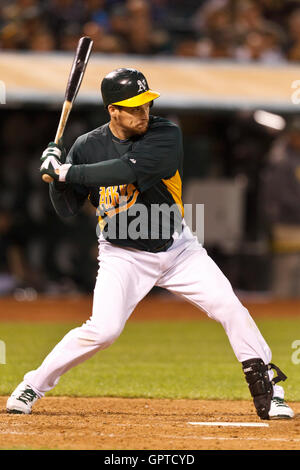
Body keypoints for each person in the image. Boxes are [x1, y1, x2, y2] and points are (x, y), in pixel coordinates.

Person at [6, 68, 294, 420]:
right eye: (134, 107)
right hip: (121, 255)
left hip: (178, 250)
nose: (144, 113)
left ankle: (270, 392)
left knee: (230, 307)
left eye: (146, 104)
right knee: (104, 330)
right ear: (113, 110)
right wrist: (53, 175)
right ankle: (33, 385)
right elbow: (66, 208)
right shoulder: (87, 146)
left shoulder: (165, 133)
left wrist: (66, 172)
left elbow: (126, 170)